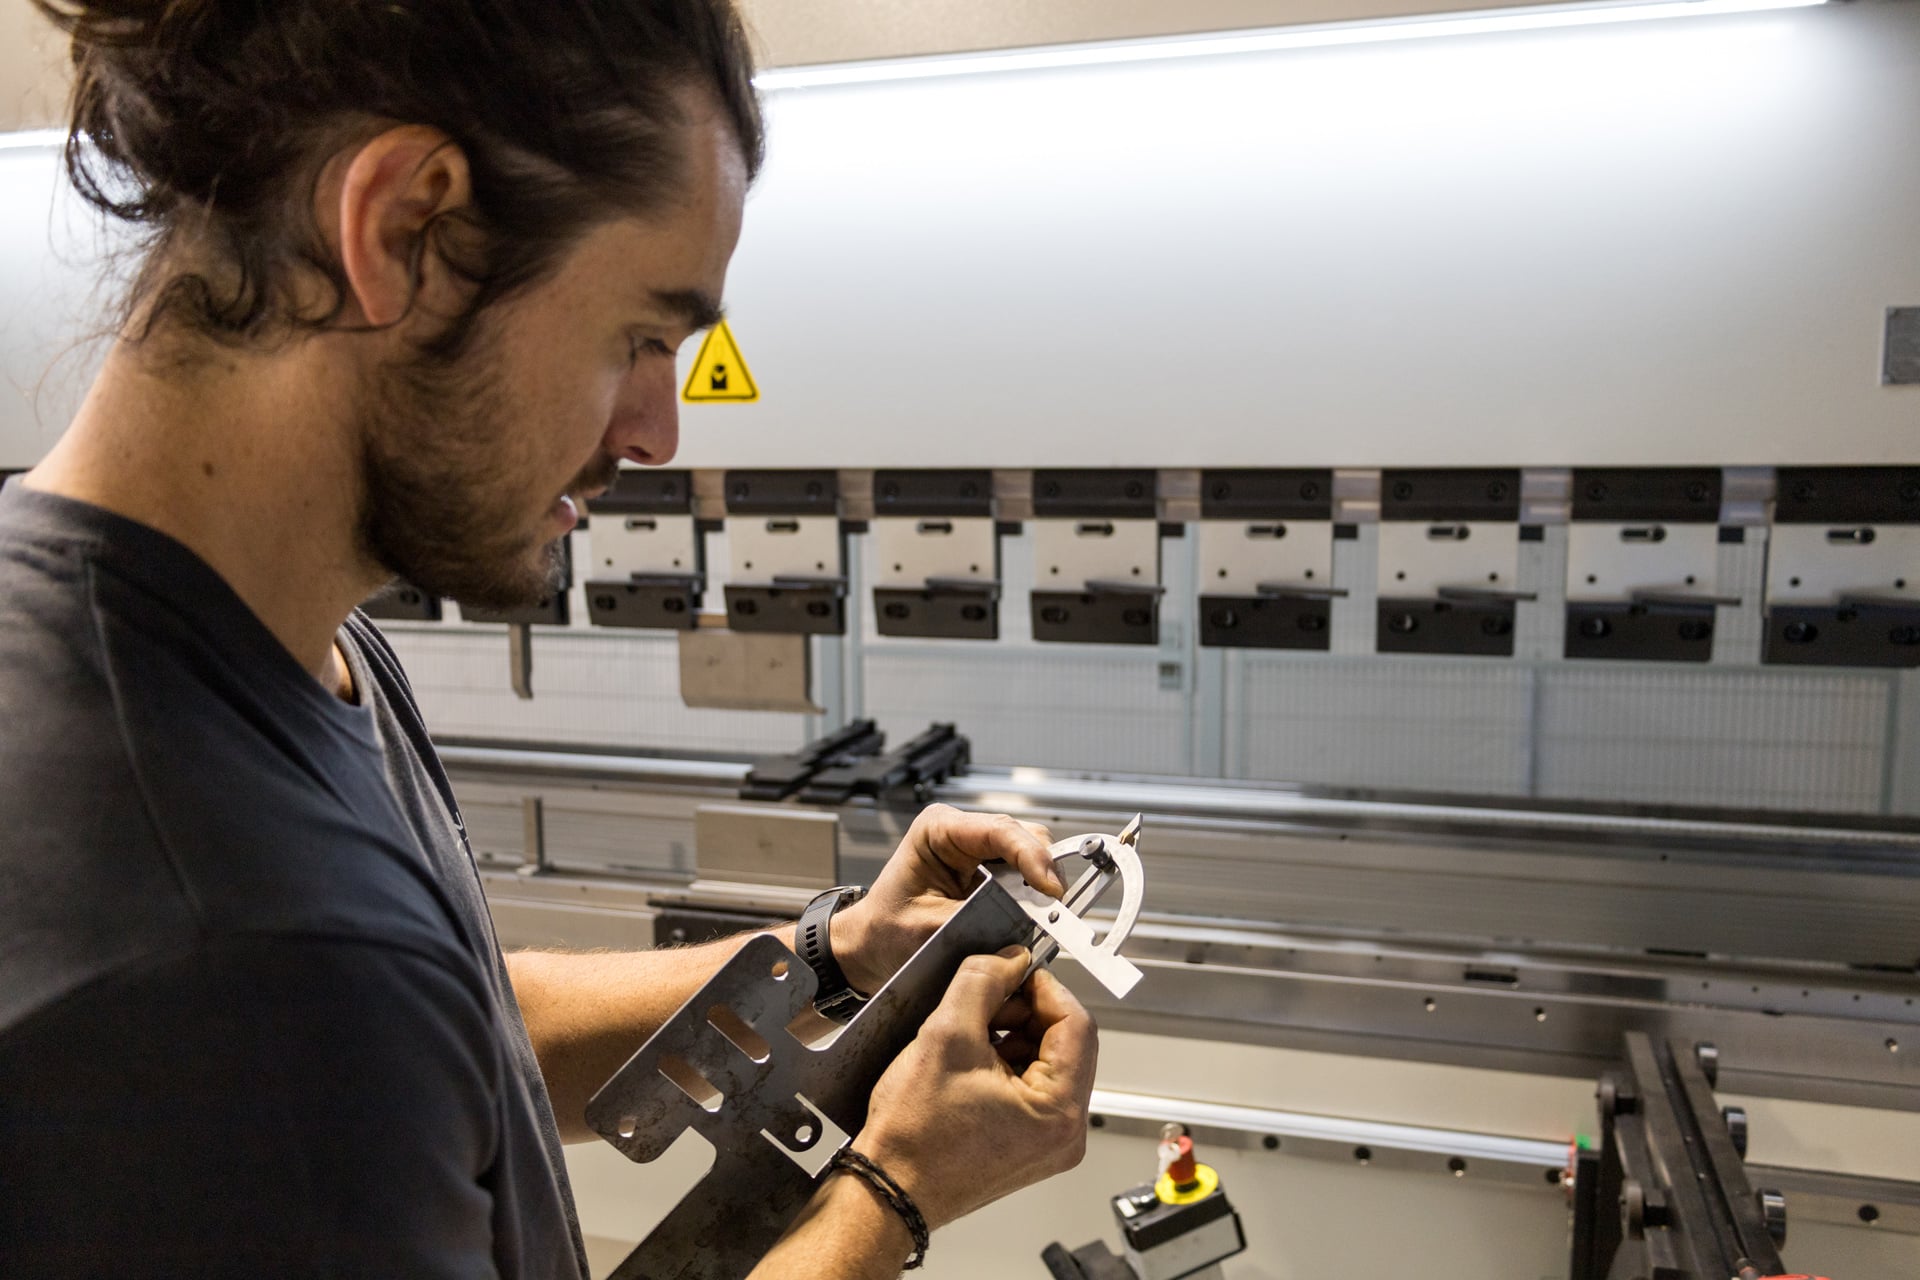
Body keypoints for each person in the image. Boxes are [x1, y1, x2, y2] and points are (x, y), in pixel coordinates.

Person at [0, 2, 1099, 1277]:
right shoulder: (227, 959)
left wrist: (839, 957)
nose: (657, 432)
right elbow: (338, 1019)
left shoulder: (289, 643)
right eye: (641, 336)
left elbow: (454, 1028)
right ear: (404, 229)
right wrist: (893, 1192)